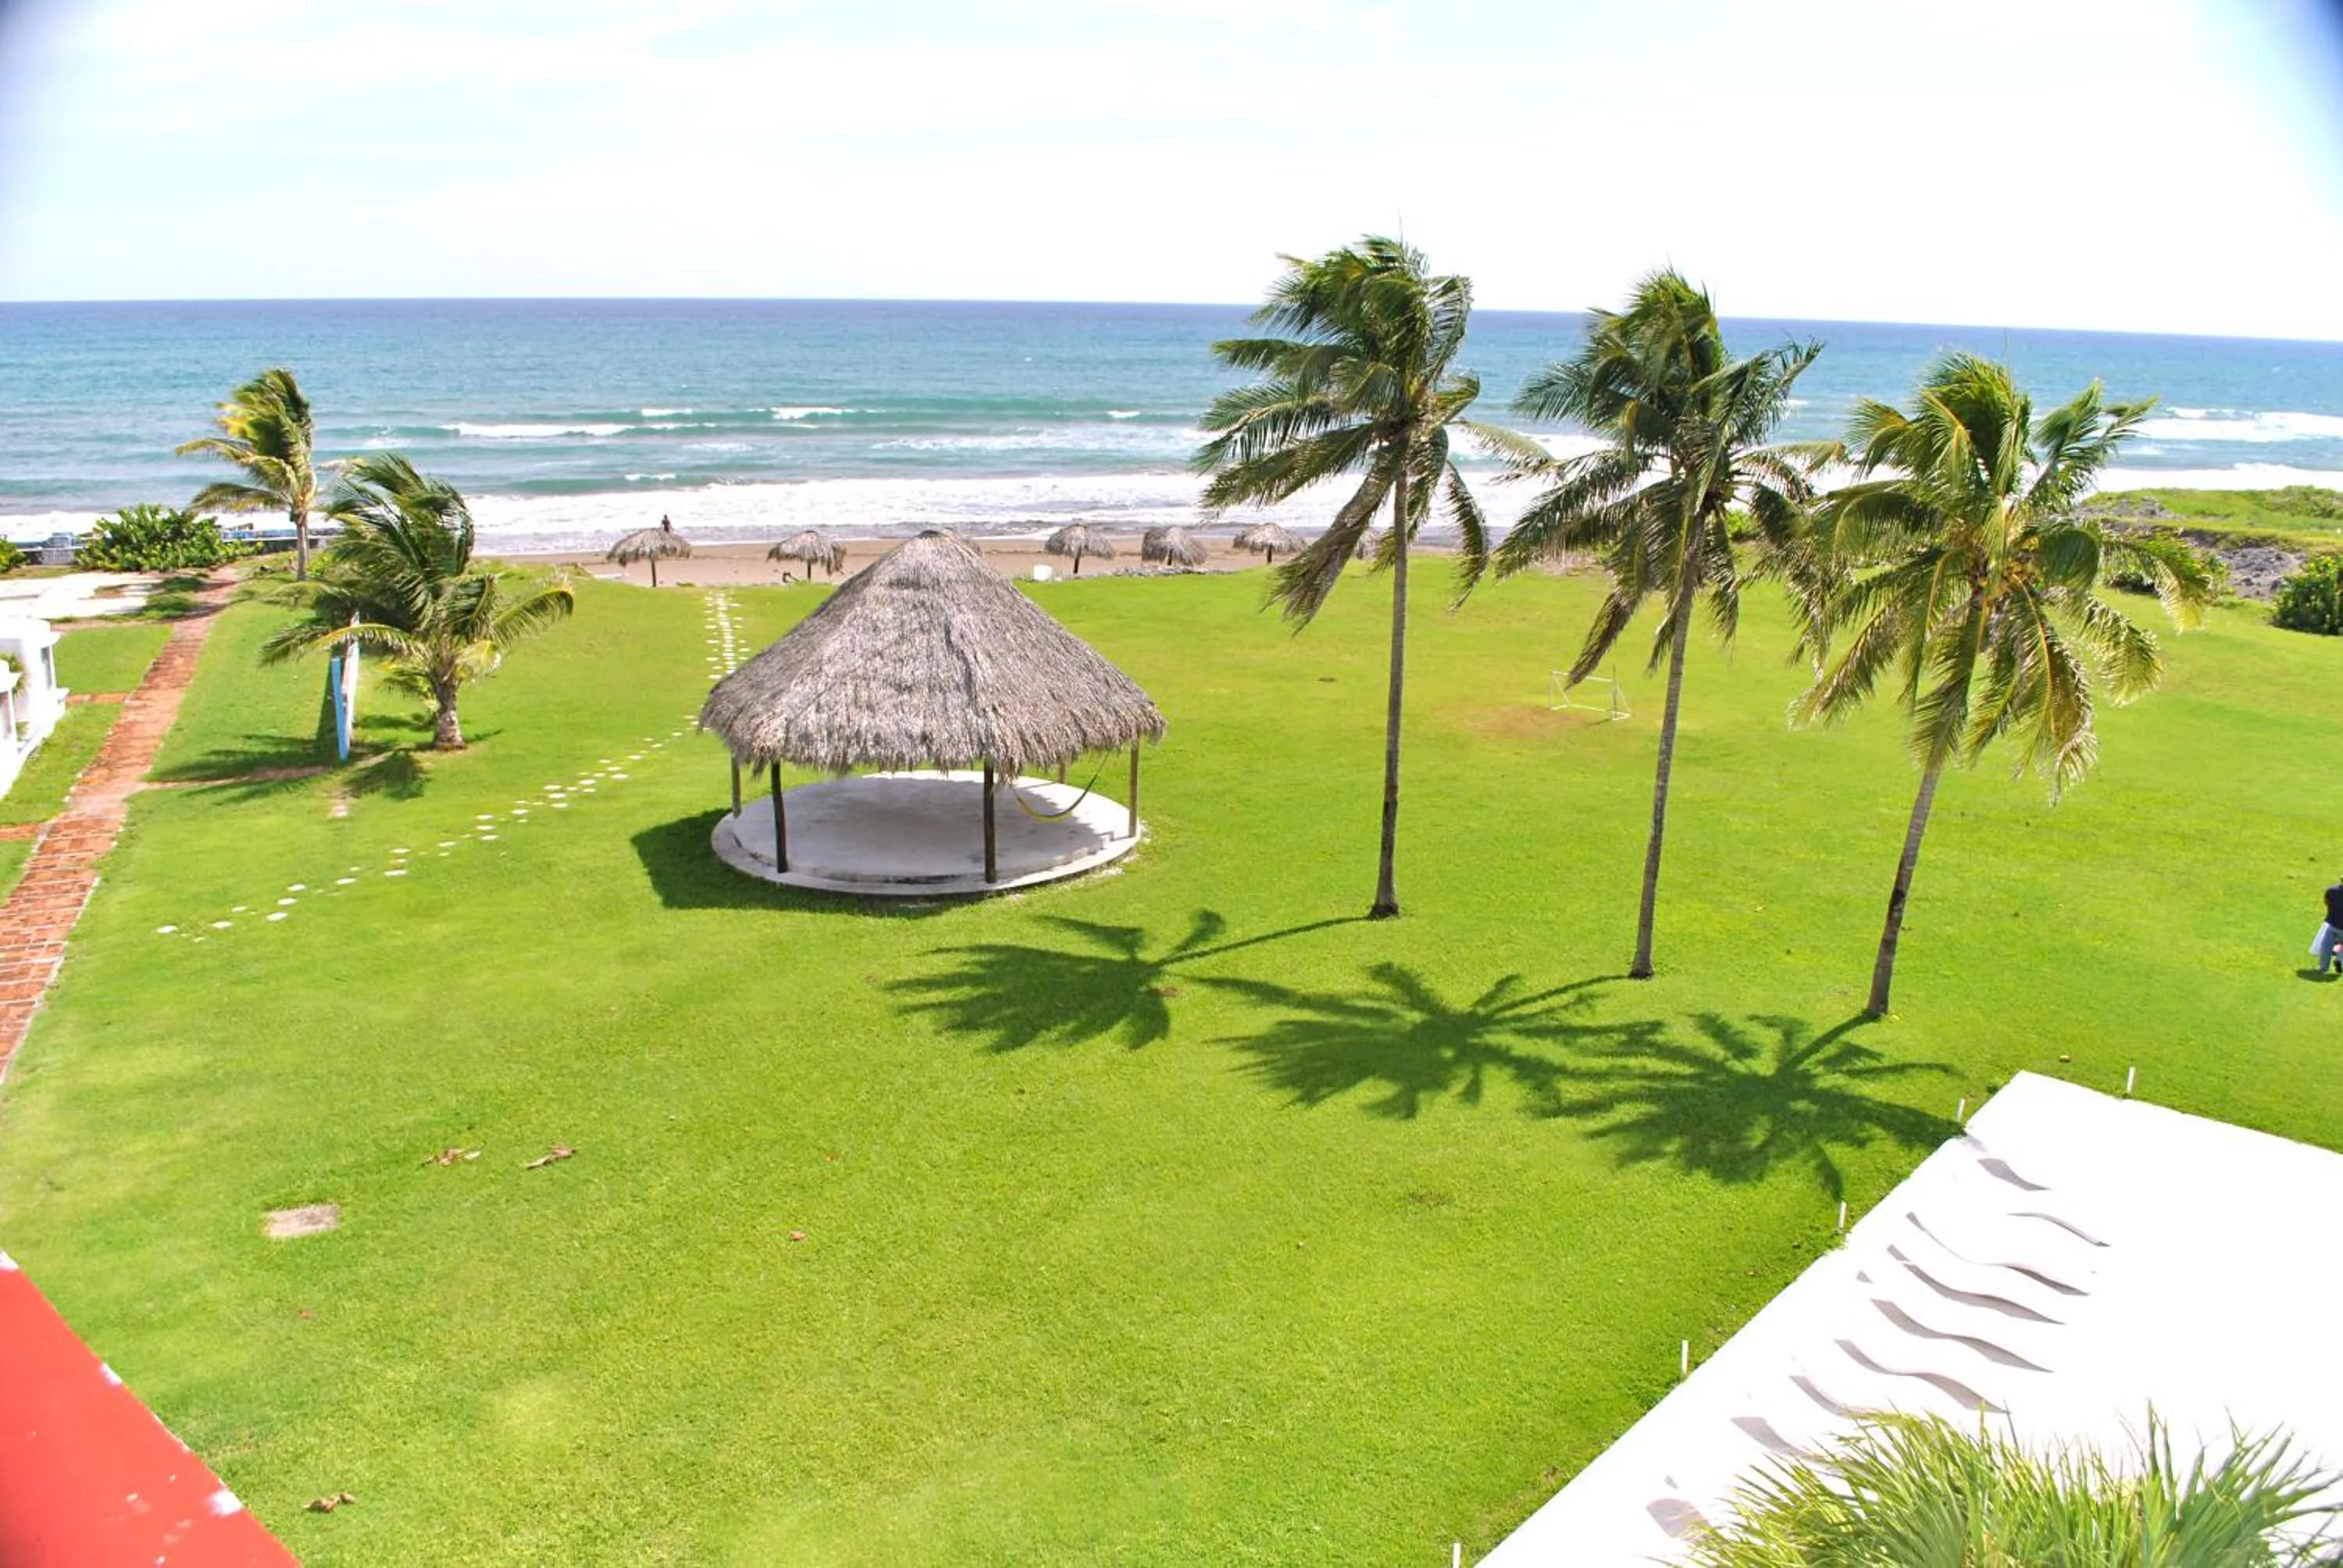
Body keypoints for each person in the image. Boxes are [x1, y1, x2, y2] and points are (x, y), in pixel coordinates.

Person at [2317, 876, 2343, 974]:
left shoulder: (2331, 890)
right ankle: (2340, 960)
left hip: (2332, 924)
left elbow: (2326, 901)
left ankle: (2323, 968)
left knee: (2326, 946)